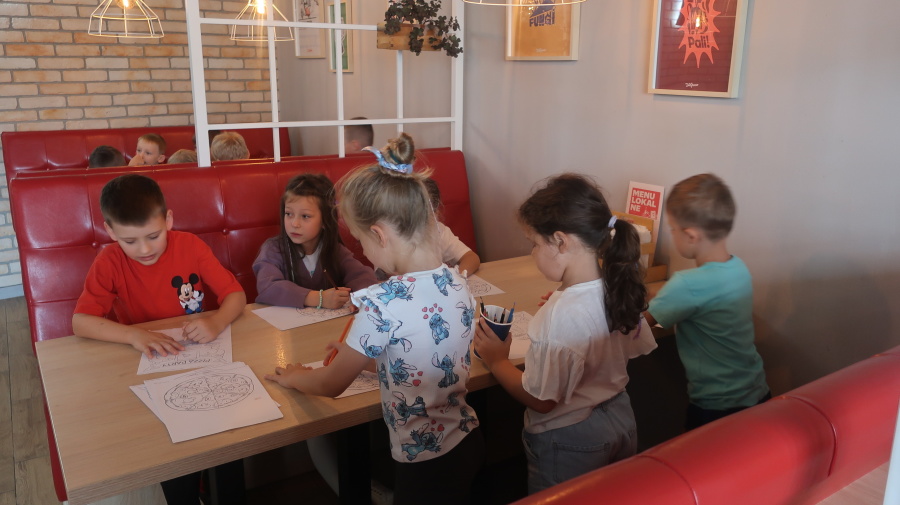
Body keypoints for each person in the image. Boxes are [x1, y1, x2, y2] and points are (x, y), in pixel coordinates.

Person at [265, 133, 485, 505]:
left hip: (422, 463)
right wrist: (365, 360)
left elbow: (331, 384)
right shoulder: (456, 282)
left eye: (361, 242)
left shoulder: (382, 303)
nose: (364, 253)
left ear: (379, 235)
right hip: (467, 439)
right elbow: (423, 354)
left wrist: (295, 376)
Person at [474, 173, 657, 495]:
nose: (532, 253)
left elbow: (542, 400)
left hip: (572, 438)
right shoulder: (616, 286)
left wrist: (497, 360)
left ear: (560, 241)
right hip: (621, 417)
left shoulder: (563, 314)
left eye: (534, 243)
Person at [71, 174, 247, 505]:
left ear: (168, 220)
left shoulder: (190, 246)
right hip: (151, 369)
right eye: (130, 241)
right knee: (173, 450)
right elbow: (81, 322)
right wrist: (132, 334)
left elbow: (235, 295)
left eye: (153, 236)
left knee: (228, 440)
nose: (145, 249)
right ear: (110, 231)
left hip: (203, 360)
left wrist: (217, 321)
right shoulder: (109, 261)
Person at [644, 173, 769, 430]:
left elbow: (642, 326)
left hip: (717, 405)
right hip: (757, 393)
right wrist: (666, 296)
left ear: (691, 235)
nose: (672, 234)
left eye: (672, 229)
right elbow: (703, 297)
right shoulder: (738, 268)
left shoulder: (686, 284)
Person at [253, 173, 378, 309]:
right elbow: (268, 286)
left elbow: (363, 277)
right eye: (289, 214)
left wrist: (358, 298)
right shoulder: (273, 249)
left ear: (325, 220)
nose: (294, 223)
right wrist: (318, 298)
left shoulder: (335, 250)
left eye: (305, 216)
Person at [423, 178, 481, 275]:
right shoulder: (396, 238)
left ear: (436, 212)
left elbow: (471, 258)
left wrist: (458, 276)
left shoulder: (438, 231)